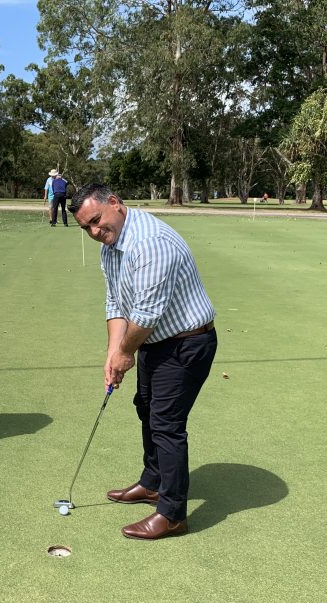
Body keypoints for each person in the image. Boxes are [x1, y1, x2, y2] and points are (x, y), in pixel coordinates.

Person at [69, 184, 217, 540]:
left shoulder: (150, 243)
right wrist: (112, 352)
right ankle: (153, 482)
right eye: (85, 227)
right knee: (146, 407)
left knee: (166, 424)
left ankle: (172, 514)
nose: (93, 232)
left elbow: (147, 314)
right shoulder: (111, 245)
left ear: (115, 204)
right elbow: (116, 302)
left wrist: (124, 353)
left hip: (187, 342)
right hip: (155, 342)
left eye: (96, 221)